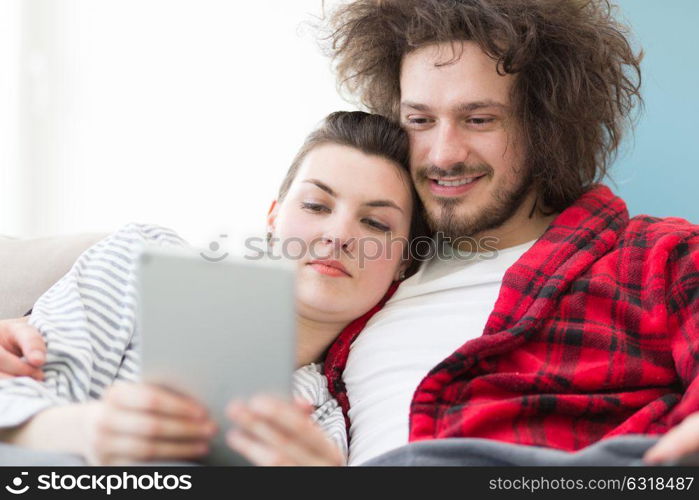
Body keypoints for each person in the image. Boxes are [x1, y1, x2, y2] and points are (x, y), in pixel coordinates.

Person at [3, 0, 698, 468]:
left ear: (543, 122)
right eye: (419, 120)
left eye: (478, 119)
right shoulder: (362, 303)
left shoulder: (655, 256)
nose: (441, 153)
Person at [0, 111, 427, 465]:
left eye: (375, 223)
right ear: (274, 219)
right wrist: (85, 431)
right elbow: (13, 386)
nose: (338, 235)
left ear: (402, 263)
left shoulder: (324, 429)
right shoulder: (140, 262)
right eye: (316, 205)